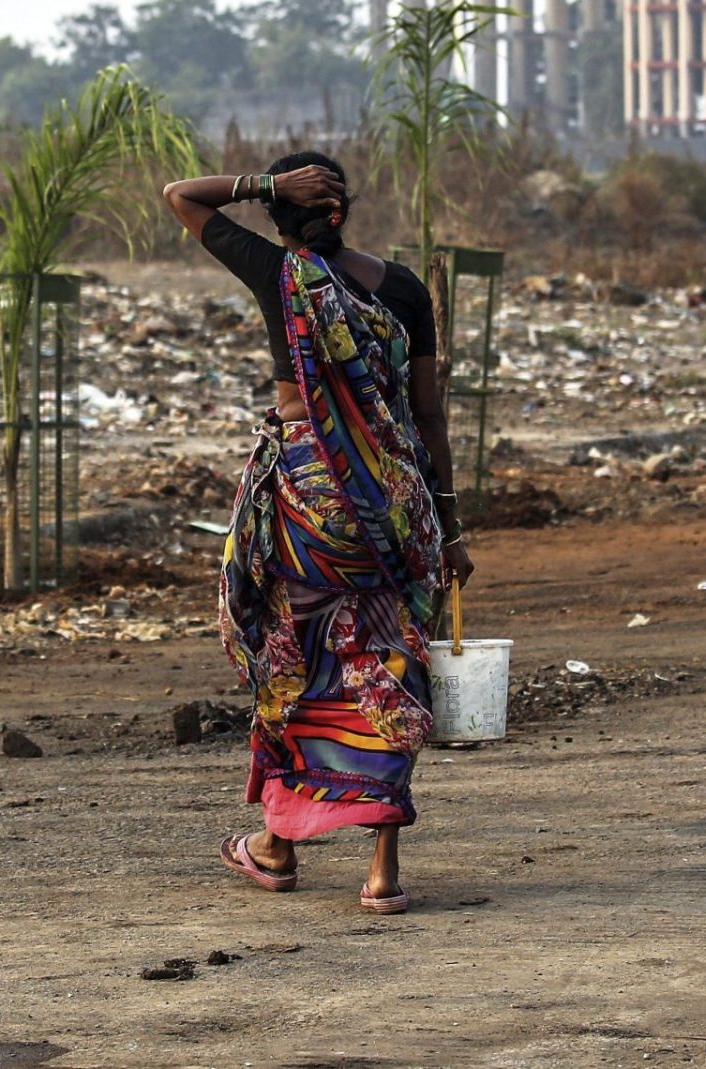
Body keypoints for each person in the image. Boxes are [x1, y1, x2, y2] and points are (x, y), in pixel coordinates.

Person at [162, 153, 474, 915]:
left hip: (310, 499)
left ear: (281, 212)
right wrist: (451, 526)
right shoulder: (403, 288)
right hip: (396, 502)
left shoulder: (279, 273)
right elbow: (429, 414)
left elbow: (180, 196)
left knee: (293, 659)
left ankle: (277, 847)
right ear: (345, 208)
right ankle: (382, 872)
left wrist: (263, 188)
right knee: (388, 664)